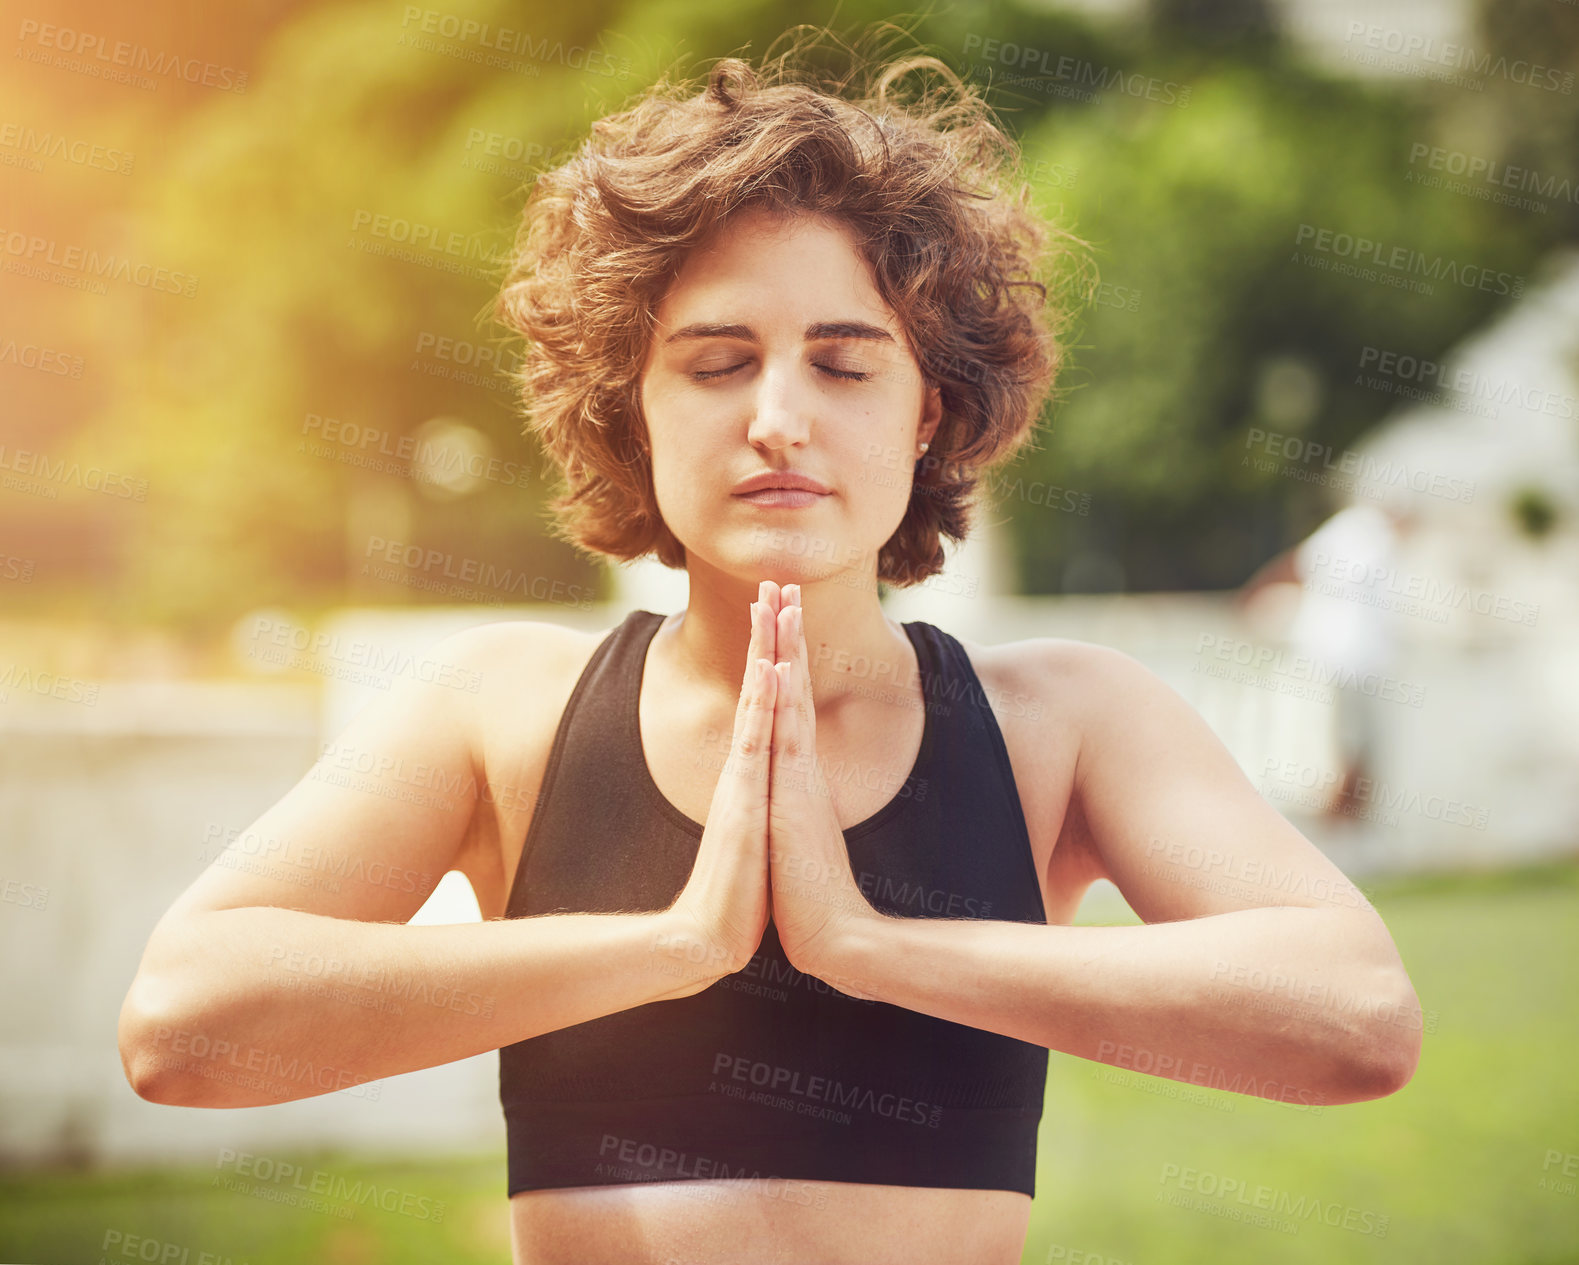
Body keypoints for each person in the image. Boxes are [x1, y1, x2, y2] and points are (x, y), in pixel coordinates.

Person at [116, 33, 1423, 1265]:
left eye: (847, 365)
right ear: (633, 408)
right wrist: (676, 942)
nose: (780, 418)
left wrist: (868, 943)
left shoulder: (1062, 724)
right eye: (717, 361)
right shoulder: (499, 709)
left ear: (930, 413)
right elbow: (183, 1026)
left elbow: (1357, 1019)